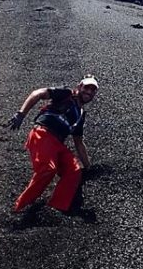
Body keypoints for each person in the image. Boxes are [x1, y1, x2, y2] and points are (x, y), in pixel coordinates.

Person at [7, 77, 98, 214]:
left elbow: (79, 143)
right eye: (87, 87)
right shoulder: (66, 94)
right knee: (48, 169)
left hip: (58, 144)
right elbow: (38, 93)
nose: (89, 92)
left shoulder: (80, 115)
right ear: (79, 87)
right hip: (43, 134)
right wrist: (21, 114)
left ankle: (55, 209)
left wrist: (89, 167)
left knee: (74, 171)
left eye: (93, 90)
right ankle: (20, 208)